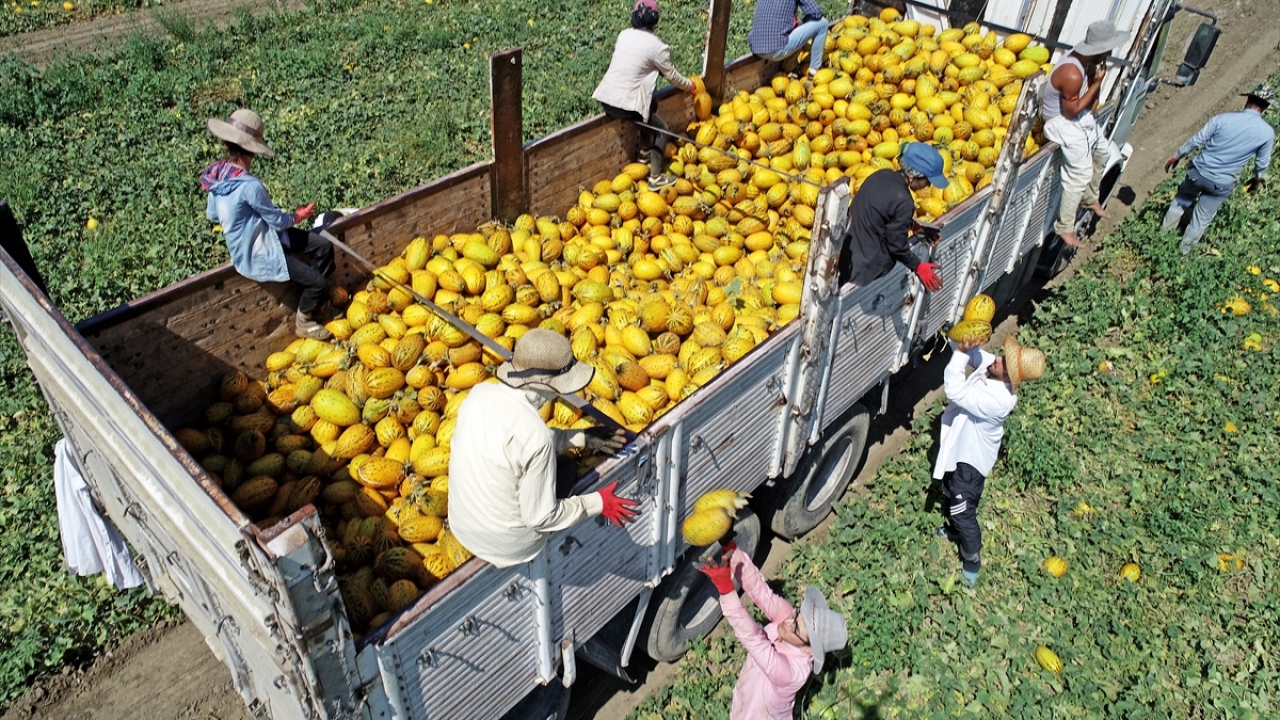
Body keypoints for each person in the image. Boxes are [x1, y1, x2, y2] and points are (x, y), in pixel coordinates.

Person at [448, 329, 638, 568]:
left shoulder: (479, 395)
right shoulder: (537, 437)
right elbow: (540, 517)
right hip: (512, 546)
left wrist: (582, 437)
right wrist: (598, 502)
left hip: (462, 527)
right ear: (548, 386)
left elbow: (518, 442)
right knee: (567, 466)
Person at [201, 108, 337, 340]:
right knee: (317, 283)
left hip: (267, 236)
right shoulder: (249, 186)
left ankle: (315, 300)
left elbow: (213, 215)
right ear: (252, 152)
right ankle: (304, 320)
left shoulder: (218, 177)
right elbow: (277, 220)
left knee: (323, 247)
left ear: (227, 145)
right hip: (259, 250)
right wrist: (299, 216)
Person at [933, 335, 1045, 586]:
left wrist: (961, 353)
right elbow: (973, 355)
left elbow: (954, 390)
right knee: (950, 492)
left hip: (972, 465)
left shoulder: (998, 401)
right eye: (1003, 356)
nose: (997, 359)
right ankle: (955, 530)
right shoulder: (994, 369)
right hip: (961, 451)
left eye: (1004, 362)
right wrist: (960, 339)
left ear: (1010, 378)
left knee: (962, 511)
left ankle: (972, 557)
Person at [698, 543, 848, 720]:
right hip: (745, 703)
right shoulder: (789, 619)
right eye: (799, 615)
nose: (789, 622)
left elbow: (754, 639)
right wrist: (732, 551)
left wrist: (726, 591)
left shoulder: (791, 674)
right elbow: (760, 592)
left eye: (797, 628)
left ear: (809, 650)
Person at [1039, 20, 1129, 248]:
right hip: (1060, 121)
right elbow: (1071, 112)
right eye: (1108, 49)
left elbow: (1089, 105)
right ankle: (1065, 227)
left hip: (1074, 115)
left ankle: (1090, 199)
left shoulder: (1086, 61)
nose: (1110, 53)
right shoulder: (1072, 73)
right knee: (1079, 173)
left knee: (1102, 151)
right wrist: (1097, 83)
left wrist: (1094, 82)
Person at [592, 0, 695, 191]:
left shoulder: (623, 35)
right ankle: (655, 177)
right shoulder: (658, 47)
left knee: (650, 107)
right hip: (627, 106)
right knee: (662, 130)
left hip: (608, 100)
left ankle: (645, 152)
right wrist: (691, 85)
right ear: (655, 22)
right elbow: (672, 76)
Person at [1162, 84, 1274, 255]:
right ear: (1265, 107)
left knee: (1181, 201)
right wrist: (1257, 179)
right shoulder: (1266, 133)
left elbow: (1196, 141)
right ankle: (1182, 254)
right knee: (1201, 220)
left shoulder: (1222, 119)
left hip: (1198, 173)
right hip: (1222, 183)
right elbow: (1262, 162)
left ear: (1248, 100)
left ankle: (1162, 239)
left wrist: (1177, 155)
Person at [837, 142, 947, 291]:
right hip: (866, 272)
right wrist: (918, 266)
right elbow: (896, 245)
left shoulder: (881, 175)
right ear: (916, 175)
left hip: (846, 258)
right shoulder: (904, 201)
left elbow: (881, 214)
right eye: (928, 181)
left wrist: (914, 226)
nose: (928, 186)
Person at [748, 0, 828, 82]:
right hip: (777, 49)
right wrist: (805, 23)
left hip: (756, 48)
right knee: (822, 23)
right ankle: (813, 72)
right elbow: (816, 12)